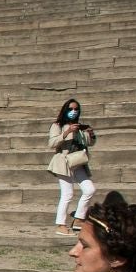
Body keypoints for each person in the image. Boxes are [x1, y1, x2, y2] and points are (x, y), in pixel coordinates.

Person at [49, 98, 97, 236]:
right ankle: (61, 225)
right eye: (70, 109)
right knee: (67, 194)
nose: (73, 111)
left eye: (76, 109)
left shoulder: (79, 126)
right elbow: (52, 143)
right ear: (65, 110)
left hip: (78, 162)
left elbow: (89, 143)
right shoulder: (57, 125)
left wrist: (91, 134)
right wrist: (67, 132)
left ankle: (79, 219)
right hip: (63, 162)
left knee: (89, 189)